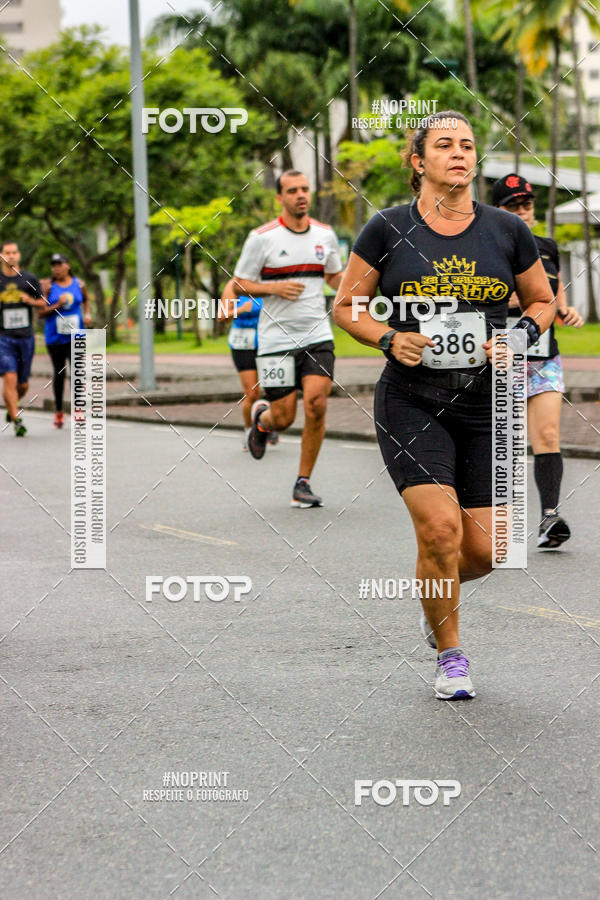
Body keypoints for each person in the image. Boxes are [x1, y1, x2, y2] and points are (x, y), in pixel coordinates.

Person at [333, 112, 554, 699]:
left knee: (483, 551)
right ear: (418, 161)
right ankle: (451, 653)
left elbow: (541, 302)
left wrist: (515, 339)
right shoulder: (387, 228)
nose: (460, 154)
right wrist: (385, 337)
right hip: (412, 399)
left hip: (488, 403)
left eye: (468, 145)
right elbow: (347, 306)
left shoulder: (507, 230)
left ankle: (435, 595)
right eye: (444, 145)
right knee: (439, 531)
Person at [233, 169, 343, 507]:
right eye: (293, 190)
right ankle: (263, 423)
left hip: (317, 334)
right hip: (275, 341)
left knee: (317, 403)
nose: (301, 195)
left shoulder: (325, 235)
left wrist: (367, 291)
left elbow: (336, 278)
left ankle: (302, 482)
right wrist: (272, 287)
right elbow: (239, 283)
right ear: (279, 197)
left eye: (305, 189)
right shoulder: (262, 238)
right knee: (285, 417)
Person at [491, 174, 583, 549]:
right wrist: (508, 303)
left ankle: (549, 517)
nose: (521, 211)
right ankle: (491, 521)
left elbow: (553, 287)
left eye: (526, 204)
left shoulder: (546, 246)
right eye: (512, 205)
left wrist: (563, 309)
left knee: (546, 435)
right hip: (499, 357)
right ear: (498, 210)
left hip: (543, 356)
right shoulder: (487, 246)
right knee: (502, 443)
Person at [217, 278, 278, 449]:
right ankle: (249, 432)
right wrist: (242, 309)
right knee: (252, 393)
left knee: (276, 389)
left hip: (269, 342)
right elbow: (221, 316)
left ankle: (268, 423)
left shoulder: (269, 281)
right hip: (243, 343)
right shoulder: (234, 285)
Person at [39, 253, 92, 428]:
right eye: (53, 265)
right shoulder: (47, 286)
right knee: (59, 373)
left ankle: (78, 411)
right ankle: (59, 411)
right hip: (54, 337)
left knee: (78, 372)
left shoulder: (79, 284)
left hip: (76, 335)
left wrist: (88, 314)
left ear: (67, 266)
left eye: (59, 264)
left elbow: (86, 300)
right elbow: (41, 313)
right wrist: (57, 305)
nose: (56, 268)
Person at [0, 240, 45, 436]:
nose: (11, 256)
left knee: (22, 384)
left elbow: (43, 304)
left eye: (14, 252)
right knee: (9, 376)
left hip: (26, 337)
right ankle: (16, 419)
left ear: (19, 255)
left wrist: (31, 301)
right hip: (3, 337)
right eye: (7, 252)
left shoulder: (29, 279)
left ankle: (12, 406)